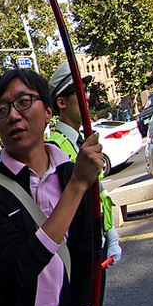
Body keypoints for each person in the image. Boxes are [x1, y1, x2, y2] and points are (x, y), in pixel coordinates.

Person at [0, 69, 105, 306]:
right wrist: (76, 188)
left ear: (49, 111)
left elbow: (86, 270)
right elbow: (17, 270)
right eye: (1, 109)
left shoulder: (73, 176)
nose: (13, 115)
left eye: (24, 102)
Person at [47, 61, 121, 264]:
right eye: (79, 93)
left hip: (99, 241)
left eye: (85, 91)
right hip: (76, 250)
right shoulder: (54, 149)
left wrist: (111, 235)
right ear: (62, 103)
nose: (86, 97)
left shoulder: (84, 141)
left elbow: (100, 192)